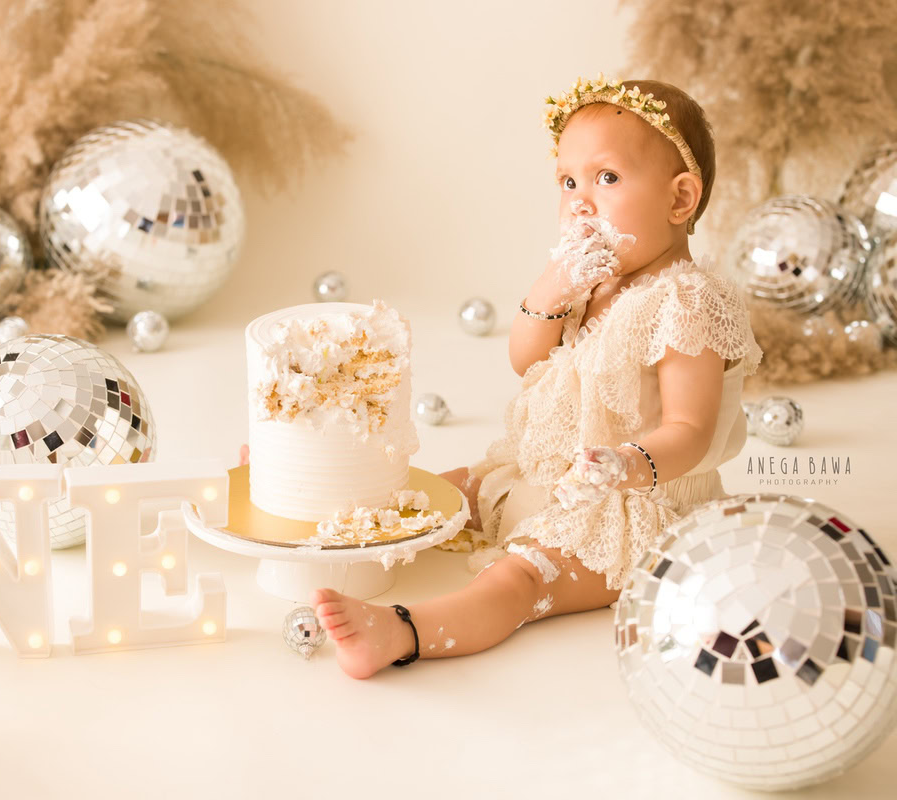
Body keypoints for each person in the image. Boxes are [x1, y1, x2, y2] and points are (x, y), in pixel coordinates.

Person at [310, 74, 763, 679]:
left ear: (680, 200)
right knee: (446, 491)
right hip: (546, 470)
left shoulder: (686, 301)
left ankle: (401, 630)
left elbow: (690, 428)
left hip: (630, 509)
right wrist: (554, 285)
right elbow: (527, 359)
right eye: (567, 181)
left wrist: (624, 463)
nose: (580, 200)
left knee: (523, 576)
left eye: (607, 178)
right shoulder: (591, 282)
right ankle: (328, 498)